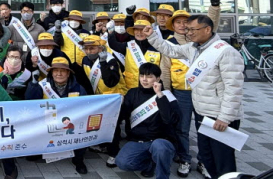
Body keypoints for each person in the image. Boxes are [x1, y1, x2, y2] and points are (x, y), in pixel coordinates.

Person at [145, 14, 244, 179]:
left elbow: (233, 88)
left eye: (192, 29)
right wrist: (152, 36)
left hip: (220, 116)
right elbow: (171, 50)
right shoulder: (194, 48)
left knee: (223, 161)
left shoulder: (226, 52)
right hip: (203, 113)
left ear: (207, 29)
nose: (188, 33)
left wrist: (225, 117)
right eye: (188, 29)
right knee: (207, 156)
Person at [159, 0, 223, 178]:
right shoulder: (169, 44)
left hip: (203, 91)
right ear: (173, 25)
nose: (182, 25)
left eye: (185, 22)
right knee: (182, 128)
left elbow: (211, 23)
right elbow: (165, 70)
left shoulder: (201, 41)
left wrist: (214, 6)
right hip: (181, 93)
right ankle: (184, 159)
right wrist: (167, 92)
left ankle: (204, 161)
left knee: (205, 127)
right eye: (178, 22)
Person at [24, 57, 89, 174]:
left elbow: (86, 108)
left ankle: (78, 160)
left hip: (70, 123)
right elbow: (30, 101)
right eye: (56, 70)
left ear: (68, 73)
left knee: (82, 129)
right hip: (47, 122)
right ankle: (38, 151)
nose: (59, 74)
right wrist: (33, 84)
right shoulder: (42, 85)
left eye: (63, 71)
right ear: (51, 73)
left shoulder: (78, 88)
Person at [115, 63, 180, 179]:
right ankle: (151, 164)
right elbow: (122, 115)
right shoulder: (132, 93)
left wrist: (159, 95)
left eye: (149, 77)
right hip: (138, 140)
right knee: (122, 163)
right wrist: (118, 103)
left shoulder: (166, 96)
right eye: (142, 76)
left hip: (160, 140)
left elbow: (169, 120)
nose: (144, 80)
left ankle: (162, 175)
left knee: (160, 147)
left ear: (158, 79)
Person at [77, 35, 125, 167]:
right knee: (100, 123)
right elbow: (86, 80)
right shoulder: (85, 60)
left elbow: (110, 82)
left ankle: (114, 153)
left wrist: (103, 63)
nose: (89, 51)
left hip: (114, 97)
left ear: (100, 48)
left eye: (92, 48)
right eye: (86, 48)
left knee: (113, 126)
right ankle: (103, 145)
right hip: (99, 98)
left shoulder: (111, 60)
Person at [107, 20, 161, 90]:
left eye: (142, 30)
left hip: (152, 88)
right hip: (132, 87)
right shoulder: (128, 45)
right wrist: (111, 32)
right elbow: (113, 44)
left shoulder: (158, 47)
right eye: (136, 30)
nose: (139, 33)